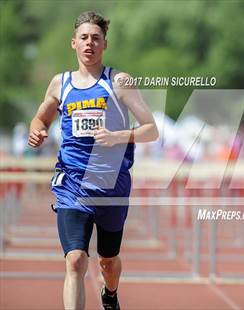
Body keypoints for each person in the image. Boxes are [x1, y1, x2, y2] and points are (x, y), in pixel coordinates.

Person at [28, 11, 158, 310]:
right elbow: (40, 118)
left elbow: (151, 130)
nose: (90, 43)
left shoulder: (119, 81)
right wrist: (37, 131)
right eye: (84, 38)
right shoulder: (60, 84)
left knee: (108, 263)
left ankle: (110, 294)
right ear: (73, 43)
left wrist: (117, 136)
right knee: (75, 261)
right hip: (72, 183)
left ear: (105, 45)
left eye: (96, 39)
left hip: (111, 185)